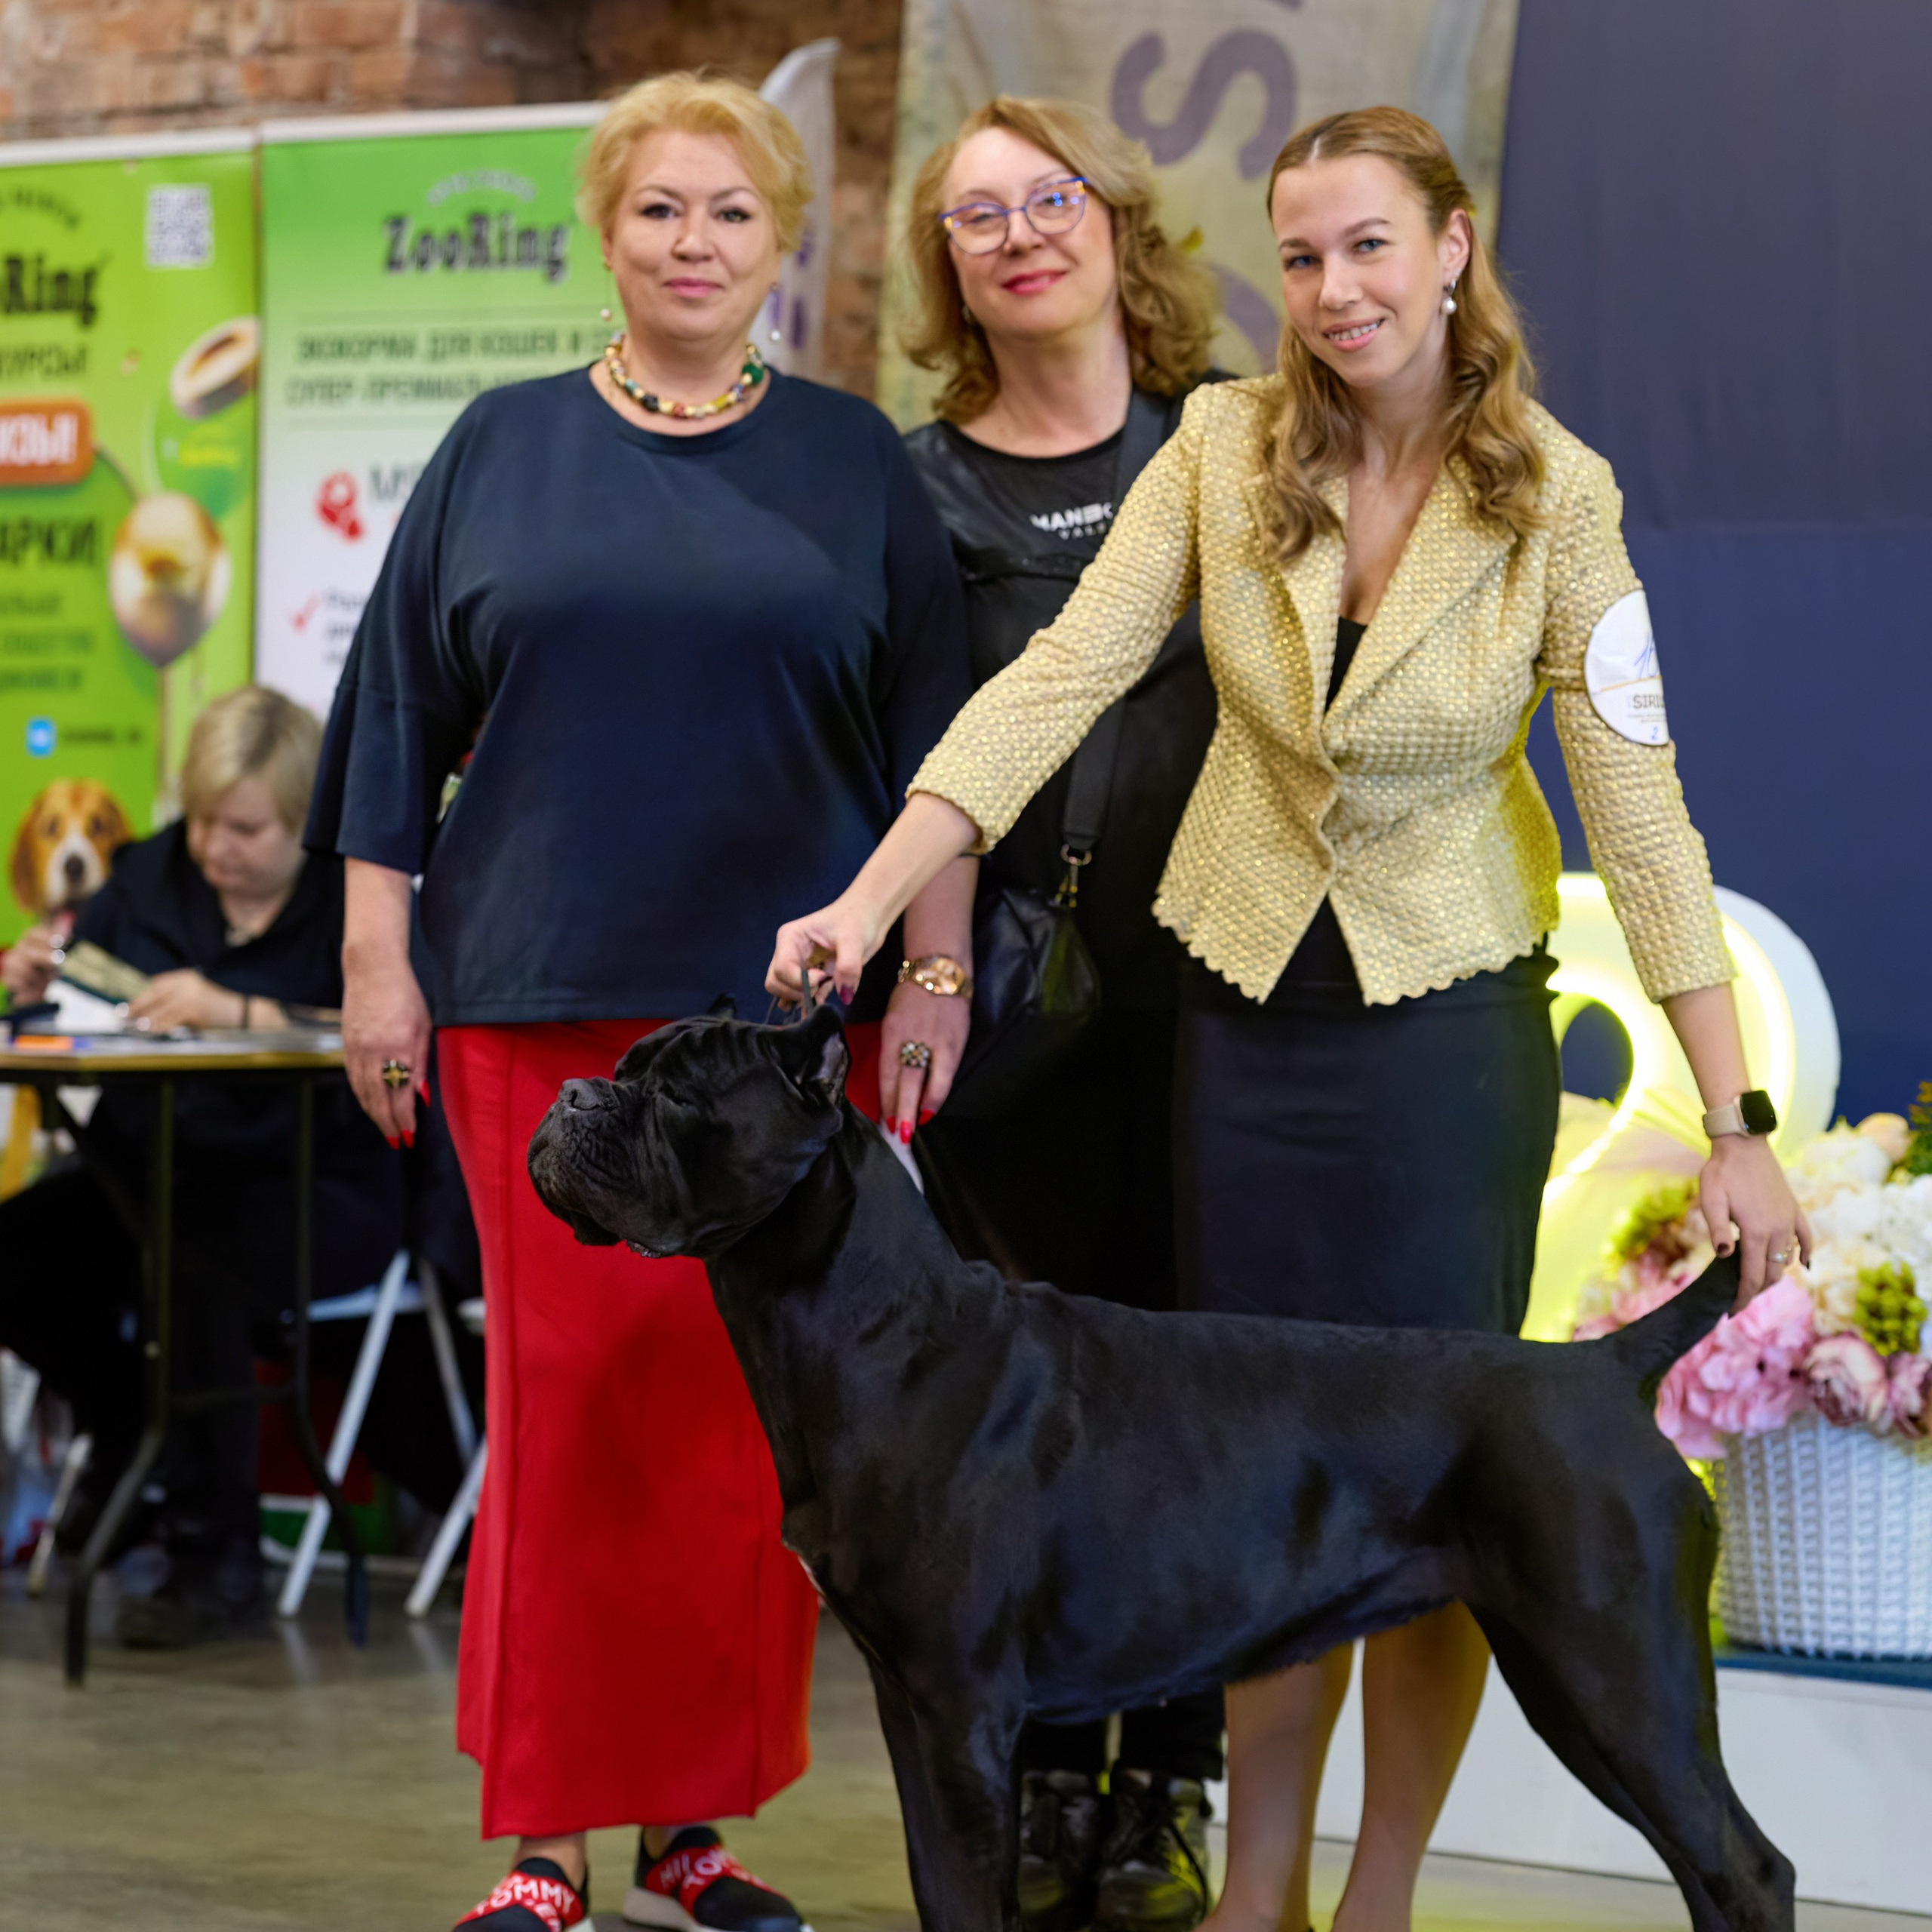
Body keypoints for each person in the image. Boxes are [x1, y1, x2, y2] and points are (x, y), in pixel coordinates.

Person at [767, 106, 1810, 1932]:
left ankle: (1379, 1893)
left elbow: (1638, 812)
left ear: (1450, 248)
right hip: (1237, 1023)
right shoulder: (1219, 445)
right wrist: (870, 907)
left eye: (1368, 248)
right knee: (1253, 1483)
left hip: (1438, 1035)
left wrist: (1735, 1124)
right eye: (1302, 255)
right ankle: (1257, 1896)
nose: (1332, 291)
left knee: (1444, 1483)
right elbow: (1054, 680)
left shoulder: (1555, 496)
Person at [304, 72, 974, 1932]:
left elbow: (947, 753)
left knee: (743, 1436)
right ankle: (547, 1846)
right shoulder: (498, 450)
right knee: (574, 1419)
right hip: (540, 1008)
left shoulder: (858, 464)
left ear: (786, 243)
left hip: (778, 1033)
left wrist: (931, 965)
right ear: (606, 233)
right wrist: (379, 967)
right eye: (660, 210)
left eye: (731, 213)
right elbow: (390, 734)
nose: (695, 244)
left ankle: (698, 1825)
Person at [898, 96, 1224, 1932]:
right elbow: (935, 751)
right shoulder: (916, 482)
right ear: (948, 268)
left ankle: (1168, 1782)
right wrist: (931, 965)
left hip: (1229, 1004)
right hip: (1017, 1007)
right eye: (974, 218)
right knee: (1019, 1411)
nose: (1019, 234)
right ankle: (1031, 1780)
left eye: (1049, 199)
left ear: (1114, 223)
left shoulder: (1228, 440)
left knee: (1190, 1396)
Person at [0, 685, 426, 1647]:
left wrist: (238, 1011)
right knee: (18, 1251)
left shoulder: (355, 907)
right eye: (201, 821)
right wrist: (36, 979)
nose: (214, 848)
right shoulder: (147, 877)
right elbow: (75, 987)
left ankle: (215, 1555)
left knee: (192, 1263)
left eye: (245, 828)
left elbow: (407, 1049)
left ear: (303, 821)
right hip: (156, 1164)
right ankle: (129, 1433)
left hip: (324, 1183)